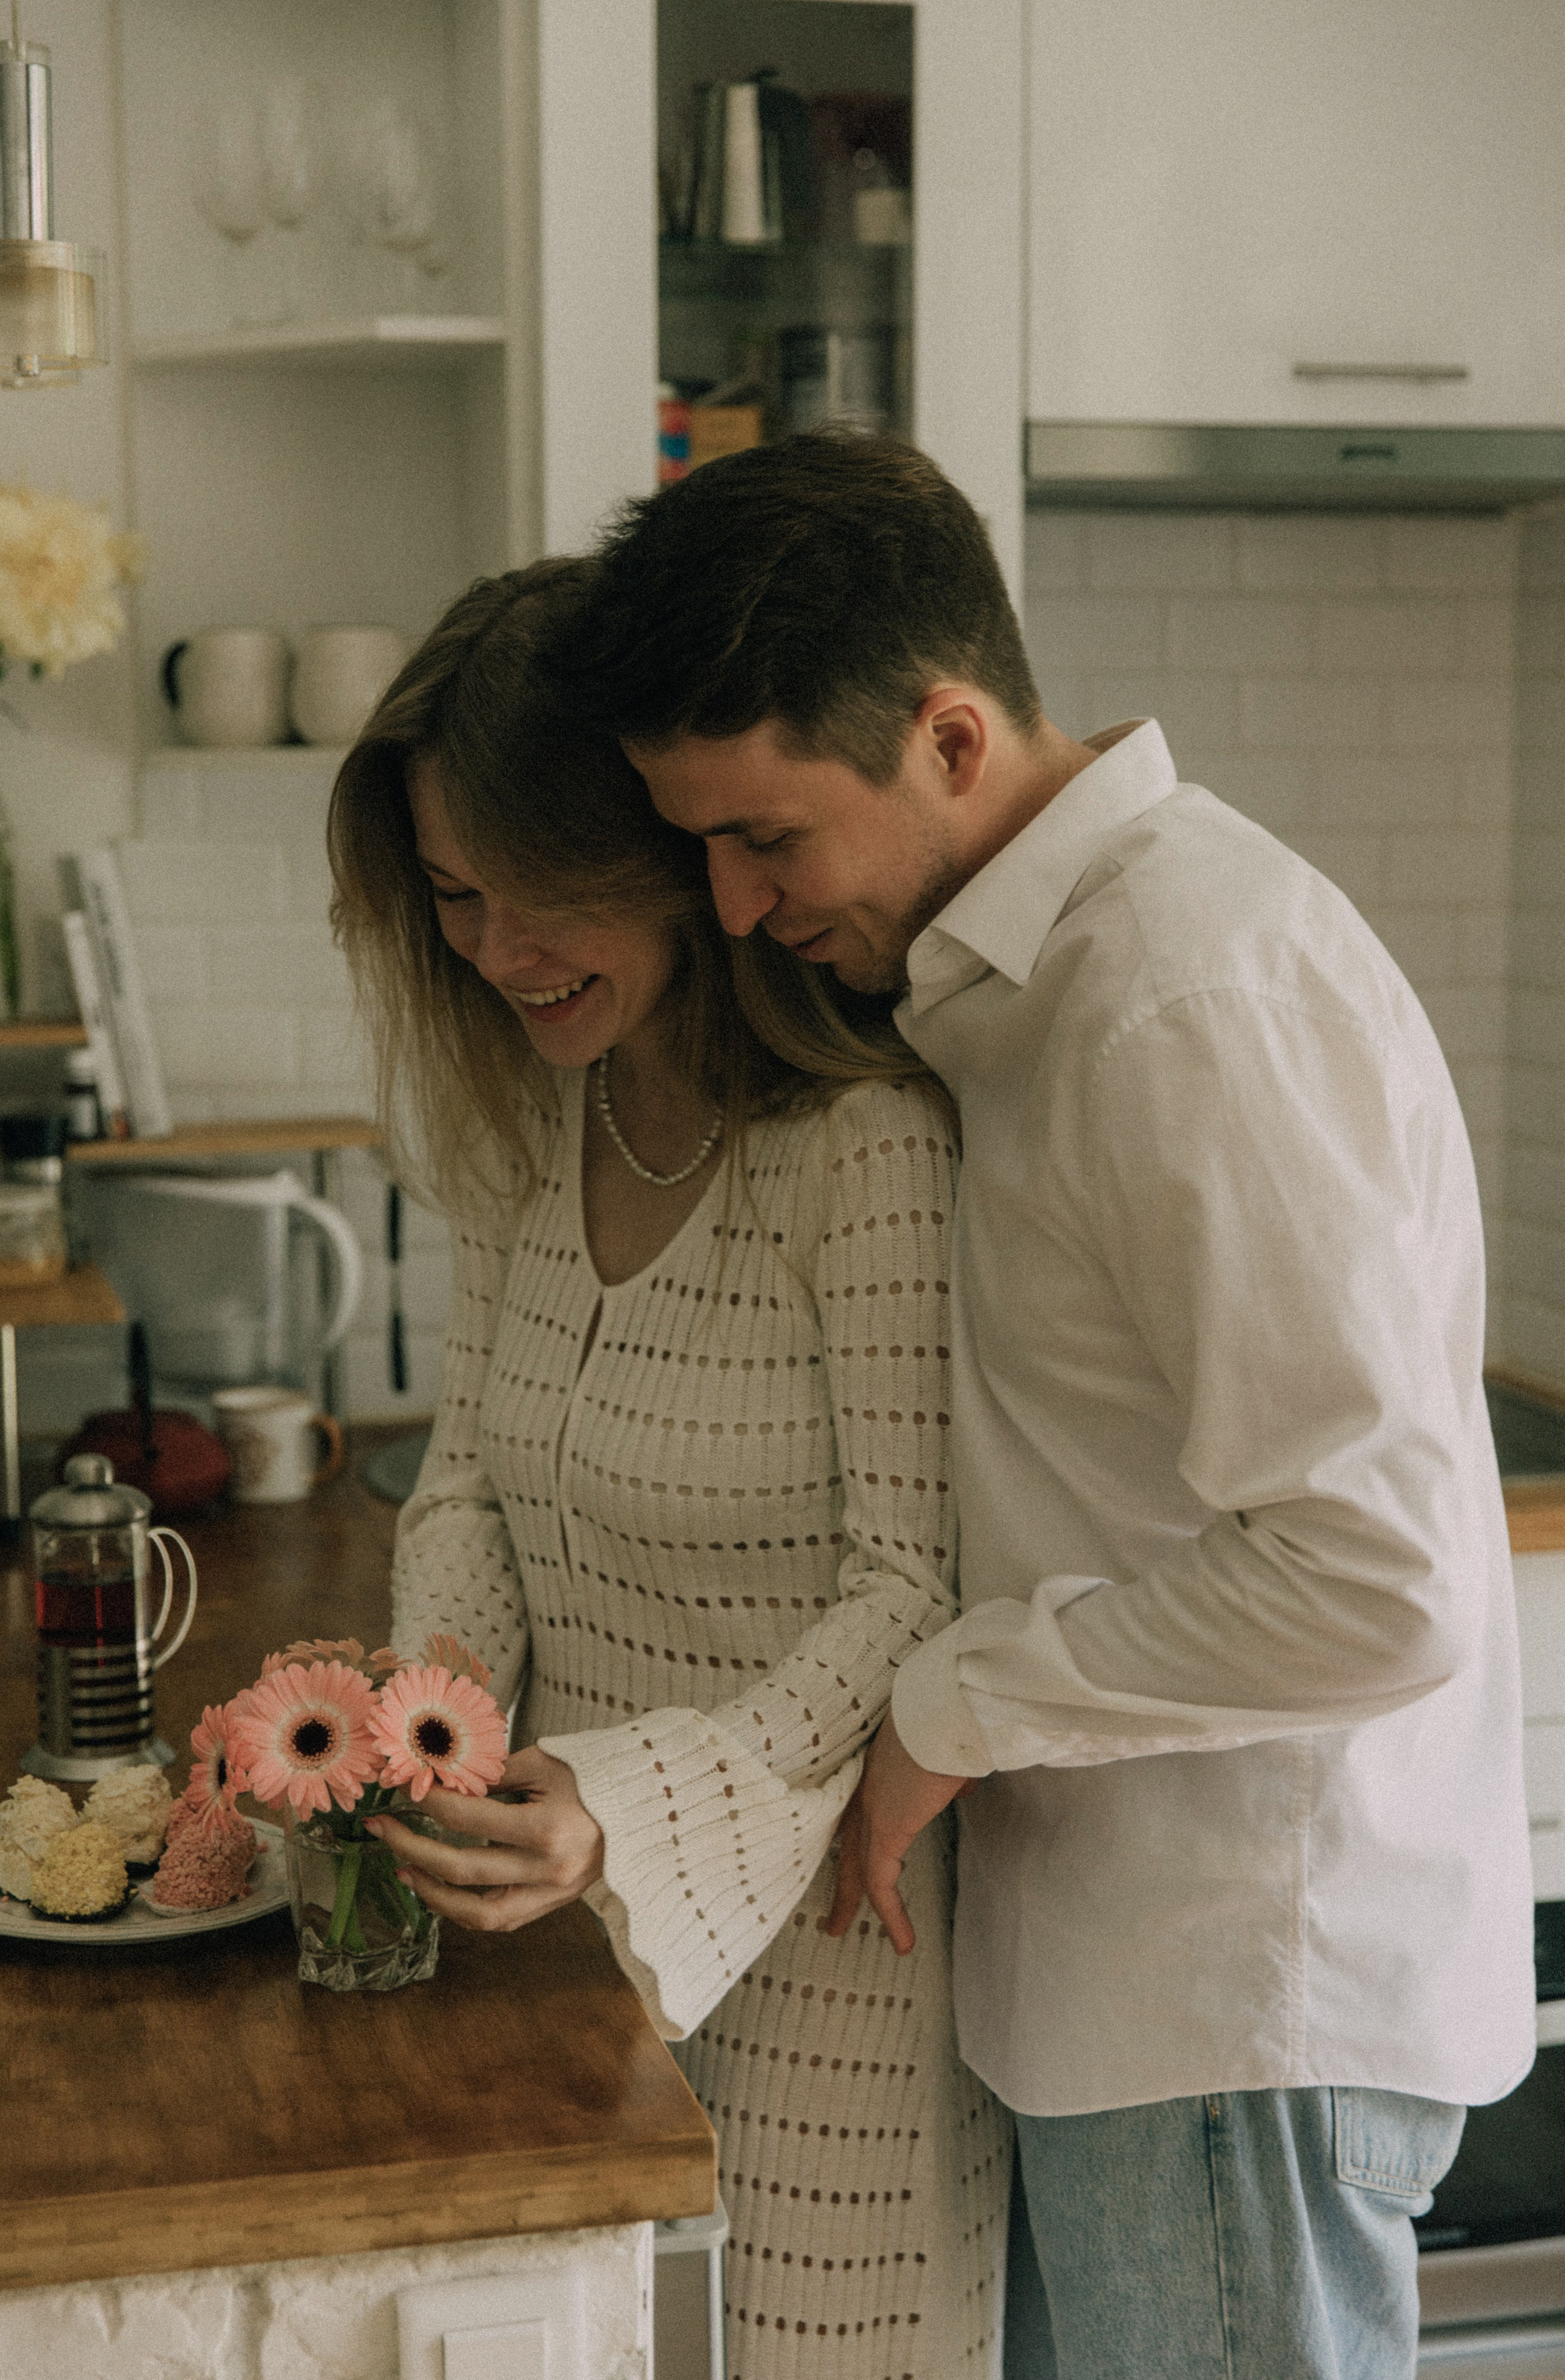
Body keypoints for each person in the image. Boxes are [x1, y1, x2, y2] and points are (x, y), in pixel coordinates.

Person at [560, 432, 1537, 2380]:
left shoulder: (1184, 993)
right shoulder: (1040, 978)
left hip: (1232, 2001)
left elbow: (1382, 1575)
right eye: (702, 853)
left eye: (768, 838)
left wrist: (955, 1700)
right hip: (1150, 1998)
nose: (738, 910)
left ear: (946, 738)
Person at [326, 557, 1011, 2380]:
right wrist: (446, 1711)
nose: (494, 951)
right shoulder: (538, 1117)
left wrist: (620, 1805)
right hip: (552, 1930)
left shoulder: (857, 1145)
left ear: (681, 867)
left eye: (544, 896)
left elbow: (914, 1586)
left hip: (830, 1953)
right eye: (458, 897)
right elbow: (464, 1475)